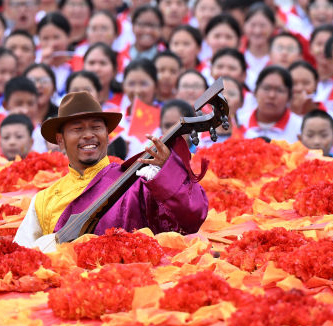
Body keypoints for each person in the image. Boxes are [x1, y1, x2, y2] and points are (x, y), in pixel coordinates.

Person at [13, 91, 208, 251]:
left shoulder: (138, 181)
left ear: (107, 135)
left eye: (96, 127)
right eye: (78, 129)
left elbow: (190, 219)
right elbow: (23, 255)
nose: (88, 135)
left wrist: (169, 174)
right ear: (60, 140)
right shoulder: (43, 200)